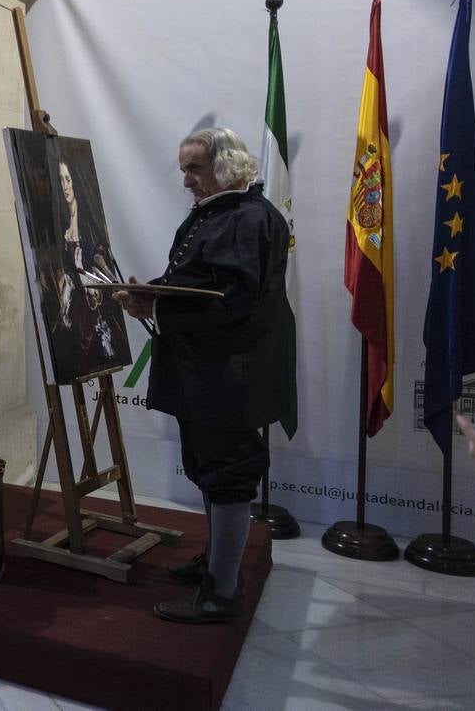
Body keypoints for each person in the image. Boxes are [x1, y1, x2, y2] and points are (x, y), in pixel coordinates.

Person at [116, 128, 293, 624]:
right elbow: (198, 285)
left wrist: (158, 307)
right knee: (211, 468)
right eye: (183, 170)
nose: (187, 180)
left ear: (229, 164)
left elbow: (230, 301)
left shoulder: (247, 218)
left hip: (228, 375)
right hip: (209, 373)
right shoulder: (224, 214)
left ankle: (221, 593)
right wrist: (152, 295)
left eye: (195, 168)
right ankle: (218, 564)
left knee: (228, 472)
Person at [44, 154, 126, 381]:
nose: (65, 185)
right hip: (75, 307)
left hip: (95, 305)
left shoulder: (88, 222)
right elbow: (62, 270)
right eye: (60, 180)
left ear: (75, 181)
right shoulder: (60, 222)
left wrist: (85, 271)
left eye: (68, 179)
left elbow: (101, 263)